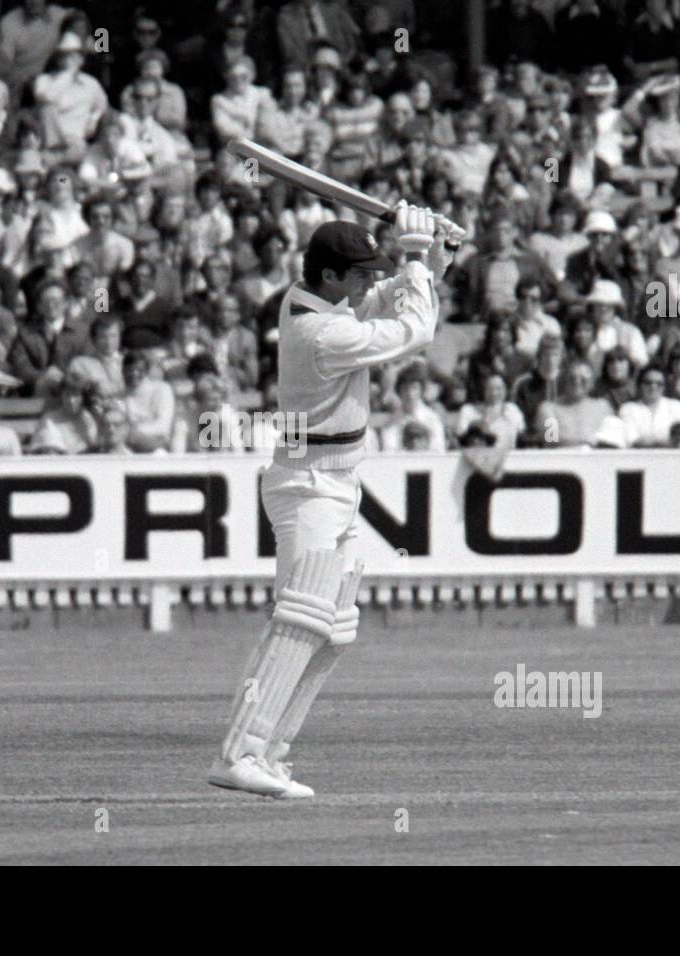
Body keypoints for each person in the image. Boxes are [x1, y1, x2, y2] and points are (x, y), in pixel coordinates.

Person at [210, 204, 456, 799]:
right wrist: (415, 257)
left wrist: (435, 254)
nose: (371, 280)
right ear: (329, 277)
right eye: (360, 273)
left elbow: (400, 297)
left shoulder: (322, 300)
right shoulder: (320, 332)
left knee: (334, 626)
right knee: (298, 620)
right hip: (308, 485)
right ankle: (239, 754)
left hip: (338, 481)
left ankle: (269, 753)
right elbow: (413, 331)